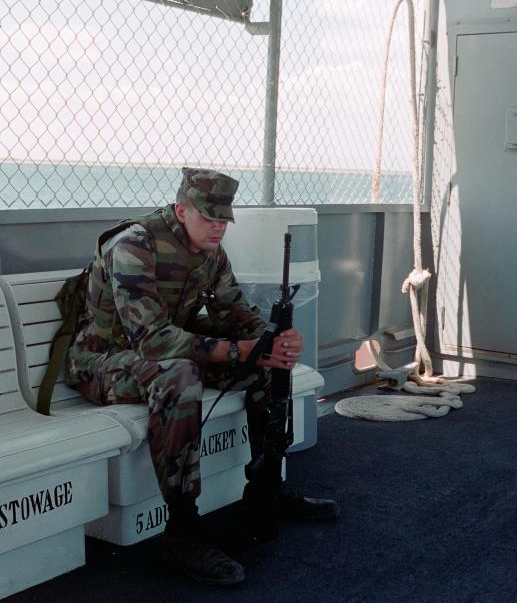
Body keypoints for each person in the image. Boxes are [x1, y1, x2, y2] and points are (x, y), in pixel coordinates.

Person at [65, 167, 338, 585]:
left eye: (223, 220)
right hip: (103, 362)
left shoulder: (211, 252)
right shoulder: (135, 246)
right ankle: (182, 531)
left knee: (264, 368)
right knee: (181, 376)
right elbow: (152, 341)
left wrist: (271, 341)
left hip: (165, 354)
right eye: (208, 218)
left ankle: (267, 489)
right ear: (180, 210)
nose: (217, 228)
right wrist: (238, 350)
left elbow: (235, 312)